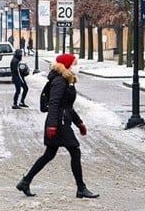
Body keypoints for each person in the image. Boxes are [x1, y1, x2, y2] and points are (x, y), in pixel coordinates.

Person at [16, 53, 99, 199]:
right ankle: (81, 188)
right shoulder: (60, 82)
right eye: (74, 63)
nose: (76, 66)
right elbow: (54, 104)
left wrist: (79, 123)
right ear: (66, 66)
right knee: (75, 151)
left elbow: (67, 107)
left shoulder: (66, 80)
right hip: (58, 123)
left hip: (61, 121)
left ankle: (25, 181)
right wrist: (52, 126)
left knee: (49, 154)